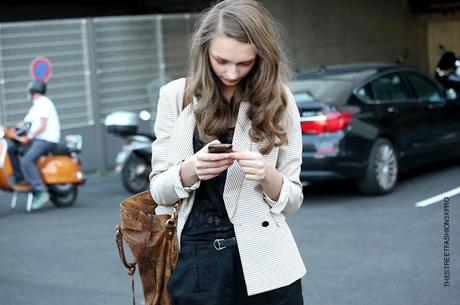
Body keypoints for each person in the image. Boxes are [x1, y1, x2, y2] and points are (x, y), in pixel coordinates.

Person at [149, 0, 306, 304]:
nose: (232, 73)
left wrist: (267, 175)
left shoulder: (280, 101)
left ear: (261, 57)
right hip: (198, 263)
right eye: (221, 61)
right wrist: (190, 170)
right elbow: (158, 191)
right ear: (204, 50)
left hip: (267, 264)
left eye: (244, 63)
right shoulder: (175, 96)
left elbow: (293, 199)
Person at [7, 80, 61, 210]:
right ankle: (20, 180)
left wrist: (29, 136)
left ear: (32, 92)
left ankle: (41, 191)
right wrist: (11, 129)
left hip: (47, 139)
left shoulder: (43, 103)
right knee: (12, 149)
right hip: (38, 139)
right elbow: (25, 123)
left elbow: (42, 126)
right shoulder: (36, 106)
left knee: (27, 160)